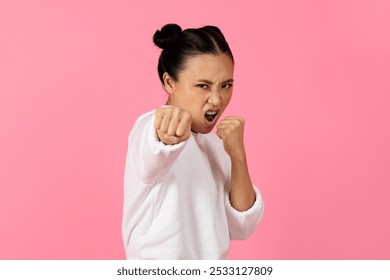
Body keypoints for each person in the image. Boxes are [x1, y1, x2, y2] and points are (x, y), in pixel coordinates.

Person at [122, 23, 264, 260]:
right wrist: (165, 132)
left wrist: (238, 156)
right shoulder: (147, 127)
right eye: (202, 86)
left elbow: (242, 226)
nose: (216, 99)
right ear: (169, 83)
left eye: (226, 86)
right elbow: (156, 145)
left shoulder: (217, 147)